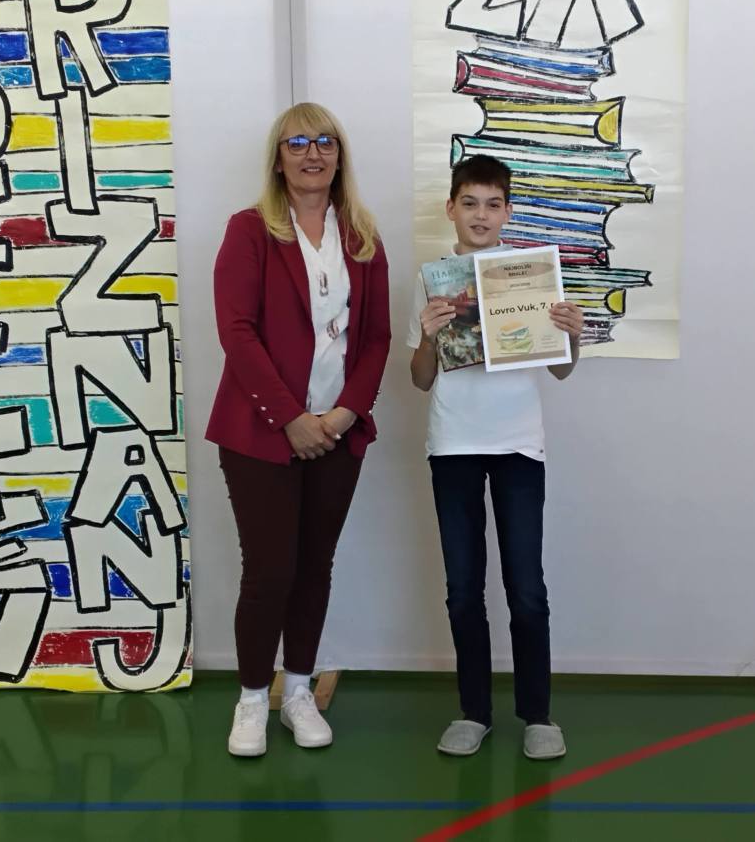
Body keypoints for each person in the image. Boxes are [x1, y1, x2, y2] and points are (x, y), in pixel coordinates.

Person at [207, 103, 390, 757]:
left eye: (325, 142)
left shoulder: (363, 237)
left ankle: (299, 692)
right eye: (298, 143)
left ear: (340, 156)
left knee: (315, 568)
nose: (313, 154)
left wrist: (342, 415)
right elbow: (237, 332)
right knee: (269, 571)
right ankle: (253, 698)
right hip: (260, 435)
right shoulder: (249, 230)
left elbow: (376, 338)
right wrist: (290, 418)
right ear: (278, 158)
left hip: (338, 435)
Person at [408, 154, 585, 760]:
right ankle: (473, 713)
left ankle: (538, 715)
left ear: (507, 211)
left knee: (526, 587)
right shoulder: (431, 279)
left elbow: (561, 370)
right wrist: (428, 337)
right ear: (450, 208)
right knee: (463, 589)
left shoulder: (531, 276)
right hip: (452, 443)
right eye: (469, 203)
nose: (480, 215)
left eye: (492, 204)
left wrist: (572, 336)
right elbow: (419, 379)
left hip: (518, 445)